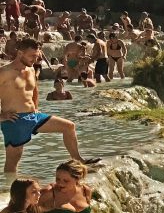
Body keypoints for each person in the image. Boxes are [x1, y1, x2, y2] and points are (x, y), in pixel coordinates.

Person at [1, 38, 101, 173]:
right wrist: (1, 116)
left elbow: (34, 89)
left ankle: (78, 162)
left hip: (33, 116)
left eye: (37, 56)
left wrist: (35, 107)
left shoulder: (30, 69)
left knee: (69, 127)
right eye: (32, 56)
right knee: (12, 163)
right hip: (14, 120)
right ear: (20, 53)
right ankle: (8, 190)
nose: (35, 59)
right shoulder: (4, 72)